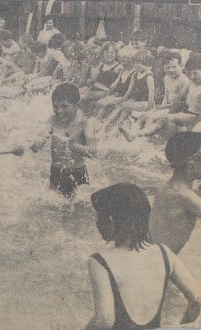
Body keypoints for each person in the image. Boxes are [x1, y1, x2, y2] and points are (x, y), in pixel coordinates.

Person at [84, 183, 201, 330]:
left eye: (100, 217)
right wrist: (182, 325)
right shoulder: (165, 253)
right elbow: (197, 299)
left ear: (112, 220)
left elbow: (105, 320)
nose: (97, 223)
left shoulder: (100, 261)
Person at [30, 83, 97, 198]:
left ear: (76, 105)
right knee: (53, 207)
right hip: (56, 172)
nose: (59, 111)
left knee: (79, 207)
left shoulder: (85, 123)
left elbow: (93, 152)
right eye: (55, 106)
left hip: (77, 172)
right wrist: (35, 144)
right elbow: (39, 143)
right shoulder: (52, 120)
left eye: (64, 106)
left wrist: (74, 146)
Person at [150, 132, 201, 253]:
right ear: (191, 165)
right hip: (163, 266)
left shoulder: (167, 187)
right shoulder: (186, 197)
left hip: (155, 258)